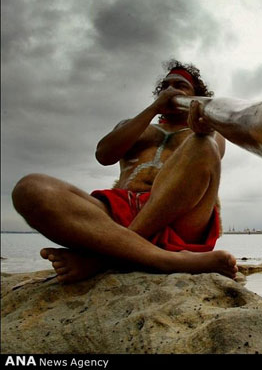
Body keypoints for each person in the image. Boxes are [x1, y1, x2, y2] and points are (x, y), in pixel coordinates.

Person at [11, 60, 238, 284]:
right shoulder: (136, 125)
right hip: (118, 214)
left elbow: (211, 154)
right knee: (30, 189)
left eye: (180, 86)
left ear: (195, 95)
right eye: (165, 87)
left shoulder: (207, 130)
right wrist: (152, 109)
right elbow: (104, 155)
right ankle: (165, 259)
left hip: (182, 217)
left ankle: (102, 260)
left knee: (203, 145)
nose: (170, 90)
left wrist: (203, 127)